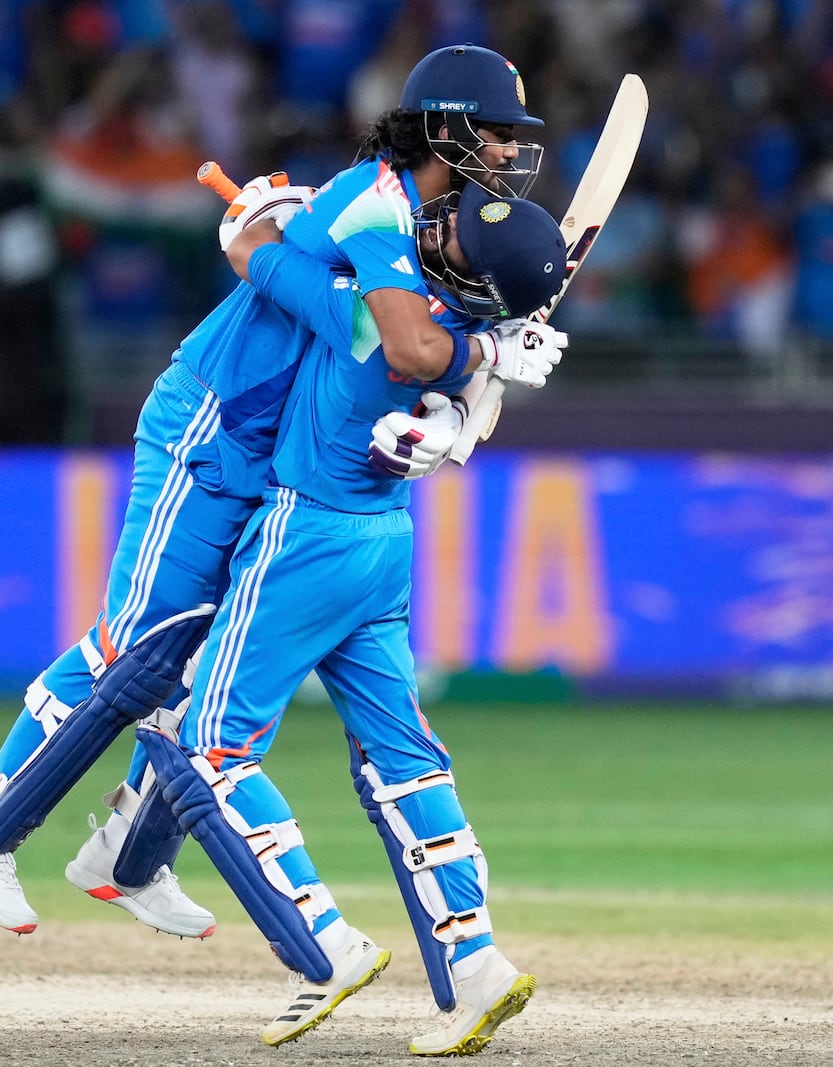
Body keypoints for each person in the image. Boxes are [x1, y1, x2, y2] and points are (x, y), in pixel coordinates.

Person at [0, 43, 552, 939]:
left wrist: (449, 412)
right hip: (210, 424)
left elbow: (388, 351)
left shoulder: (434, 223)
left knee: (201, 674)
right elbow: (395, 342)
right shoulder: (379, 201)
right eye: (493, 134)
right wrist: (485, 353)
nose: (507, 155)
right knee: (136, 643)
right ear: (443, 127)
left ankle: (127, 856)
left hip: (274, 449)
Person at [137, 178, 567, 1055]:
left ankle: (321, 941)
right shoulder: (451, 334)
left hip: (306, 536)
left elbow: (252, 257)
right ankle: (475, 966)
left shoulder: (377, 312)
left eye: (450, 236)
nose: (436, 224)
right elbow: (435, 365)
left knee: (203, 748)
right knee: (402, 760)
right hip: (382, 548)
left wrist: (258, 218)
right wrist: (481, 360)